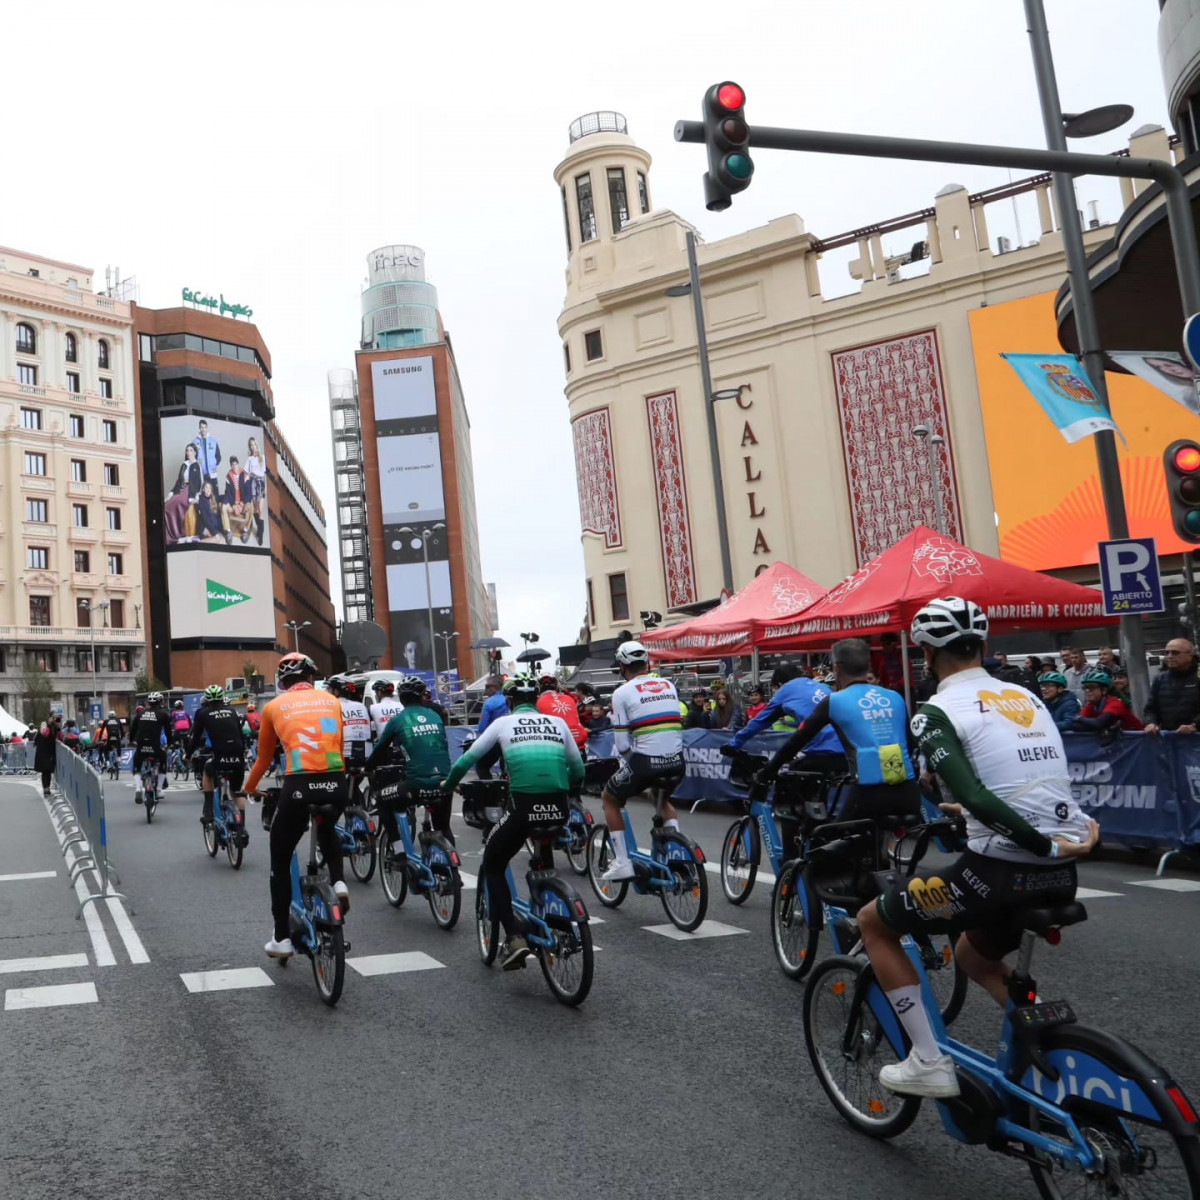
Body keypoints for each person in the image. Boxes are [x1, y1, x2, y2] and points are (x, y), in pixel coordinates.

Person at [856, 597, 1098, 1098]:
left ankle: (927, 1061)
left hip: (1000, 874)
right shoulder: (1026, 696)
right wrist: (1058, 843)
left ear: (925, 655)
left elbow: (975, 794)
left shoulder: (935, 711)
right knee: (974, 958)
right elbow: (1033, 782)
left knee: (874, 923)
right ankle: (1040, 1034)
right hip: (1060, 871)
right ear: (983, 647)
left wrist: (1039, 844)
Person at [443, 674, 583, 969]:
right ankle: (552, 909)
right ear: (536, 701)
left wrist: (448, 785)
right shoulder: (557, 724)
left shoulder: (503, 723)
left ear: (509, 701)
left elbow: (466, 761)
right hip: (559, 807)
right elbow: (577, 769)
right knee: (544, 854)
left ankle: (514, 936)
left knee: (493, 863)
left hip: (523, 806)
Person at [243, 653, 348, 960]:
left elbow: (263, 759)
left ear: (282, 681)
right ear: (311, 677)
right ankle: (339, 883)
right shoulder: (331, 701)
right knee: (327, 822)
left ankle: (281, 938)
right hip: (336, 782)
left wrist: (249, 789)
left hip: (299, 785)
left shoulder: (273, 707)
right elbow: (338, 748)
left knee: (280, 854)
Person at [759, 638, 921, 820]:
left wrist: (767, 773)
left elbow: (796, 741)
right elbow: (910, 743)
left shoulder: (835, 701)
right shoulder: (895, 697)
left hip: (868, 793)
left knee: (829, 838)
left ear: (836, 669)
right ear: (868, 666)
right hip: (908, 792)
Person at [600, 642, 685, 882]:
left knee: (610, 798)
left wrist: (632, 765)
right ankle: (677, 851)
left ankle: (622, 862)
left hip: (647, 763)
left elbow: (623, 745)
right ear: (646, 663)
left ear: (621, 665)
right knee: (661, 797)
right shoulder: (668, 684)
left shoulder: (621, 693)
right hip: (677, 762)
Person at [368, 675, 453, 855]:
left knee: (381, 799)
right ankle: (454, 871)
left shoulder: (399, 719)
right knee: (443, 828)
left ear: (402, 698)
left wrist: (367, 768)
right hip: (446, 783)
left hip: (417, 785)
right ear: (422, 696)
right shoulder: (435, 716)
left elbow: (379, 749)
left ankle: (398, 851)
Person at [724, 663, 847, 772]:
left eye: (775, 688)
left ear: (780, 684)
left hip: (823, 750)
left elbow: (758, 722)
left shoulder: (786, 690)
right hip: (849, 750)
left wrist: (733, 744)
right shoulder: (820, 686)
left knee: (788, 779)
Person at [188, 685, 247, 827]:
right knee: (237, 792)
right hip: (238, 758)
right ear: (222, 698)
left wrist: (188, 754)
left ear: (207, 700)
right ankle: (242, 828)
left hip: (219, 757)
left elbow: (195, 738)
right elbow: (241, 736)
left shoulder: (203, 713)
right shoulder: (232, 712)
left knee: (207, 771)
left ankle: (208, 810)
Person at [326, 675, 372, 803]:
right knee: (352, 784)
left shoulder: (332, 706)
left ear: (336, 691)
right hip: (365, 756)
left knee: (328, 785)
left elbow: (328, 734)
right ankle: (358, 807)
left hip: (343, 757)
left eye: (329, 689)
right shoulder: (361, 706)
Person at [1144, 638, 1200, 734]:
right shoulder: (1160, 679)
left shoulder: (1198, 677)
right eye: (1167, 653)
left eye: (1175, 653)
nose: (1169, 656)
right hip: (1169, 740)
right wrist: (1151, 723)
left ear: (1190, 655)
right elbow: (1150, 709)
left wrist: (1195, 725)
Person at [130, 692, 173, 802]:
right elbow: (168, 732)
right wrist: (170, 743)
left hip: (141, 746)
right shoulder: (163, 715)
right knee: (163, 759)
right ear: (160, 702)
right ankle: (158, 789)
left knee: (137, 764)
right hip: (155, 747)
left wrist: (132, 741)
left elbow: (133, 730)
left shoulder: (139, 715)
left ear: (148, 702)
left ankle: (138, 788)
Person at [1073, 669, 1143, 736]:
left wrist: (1079, 718)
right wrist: (1096, 726)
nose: (1087, 691)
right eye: (1085, 687)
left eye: (1092, 687)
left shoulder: (1115, 704)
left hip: (1137, 742)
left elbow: (1098, 723)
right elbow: (1075, 726)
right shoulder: (1092, 705)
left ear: (1104, 690)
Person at [537, 675, 588, 751]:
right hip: (579, 739)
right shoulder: (568, 698)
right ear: (556, 687)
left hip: (557, 743)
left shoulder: (539, 701)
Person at [164, 443, 203, 544]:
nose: (188, 452)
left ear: (195, 452)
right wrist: (170, 494)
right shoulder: (184, 465)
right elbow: (178, 481)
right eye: (187, 450)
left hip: (190, 491)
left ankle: (179, 533)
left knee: (177, 502)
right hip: (181, 488)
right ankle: (171, 535)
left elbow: (200, 482)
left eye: (190, 450)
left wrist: (197, 496)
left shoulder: (197, 465)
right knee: (167, 506)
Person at [221, 457, 255, 544]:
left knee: (251, 508)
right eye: (232, 465)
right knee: (223, 507)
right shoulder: (228, 476)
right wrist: (233, 505)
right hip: (233, 503)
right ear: (231, 466)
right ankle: (228, 531)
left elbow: (249, 492)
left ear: (238, 464)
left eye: (236, 464)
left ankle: (245, 530)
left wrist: (244, 503)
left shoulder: (245, 475)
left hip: (242, 503)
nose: (234, 466)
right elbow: (227, 493)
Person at [244, 436, 268, 545]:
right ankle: (259, 528)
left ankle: (261, 533)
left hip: (261, 483)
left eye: (254, 444)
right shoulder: (249, 459)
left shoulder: (262, 457)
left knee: (260, 509)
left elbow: (264, 474)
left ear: (256, 444)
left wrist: (265, 487)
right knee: (255, 509)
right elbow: (246, 473)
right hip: (253, 482)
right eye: (251, 445)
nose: (253, 447)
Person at [192, 418, 221, 485]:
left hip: (212, 472)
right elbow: (193, 457)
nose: (203, 429)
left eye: (205, 427)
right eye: (201, 427)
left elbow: (218, 456)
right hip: (201, 473)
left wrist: (213, 463)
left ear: (207, 428)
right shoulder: (195, 442)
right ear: (199, 428)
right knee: (203, 493)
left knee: (214, 493)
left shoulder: (213, 441)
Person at [33, 721, 58, 797]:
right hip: (49, 755)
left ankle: (45, 789)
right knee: (48, 773)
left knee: (44, 773)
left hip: (41, 756)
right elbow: (53, 743)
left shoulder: (39, 733)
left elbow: (35, 743)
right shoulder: (51, 734)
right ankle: (48, 789)